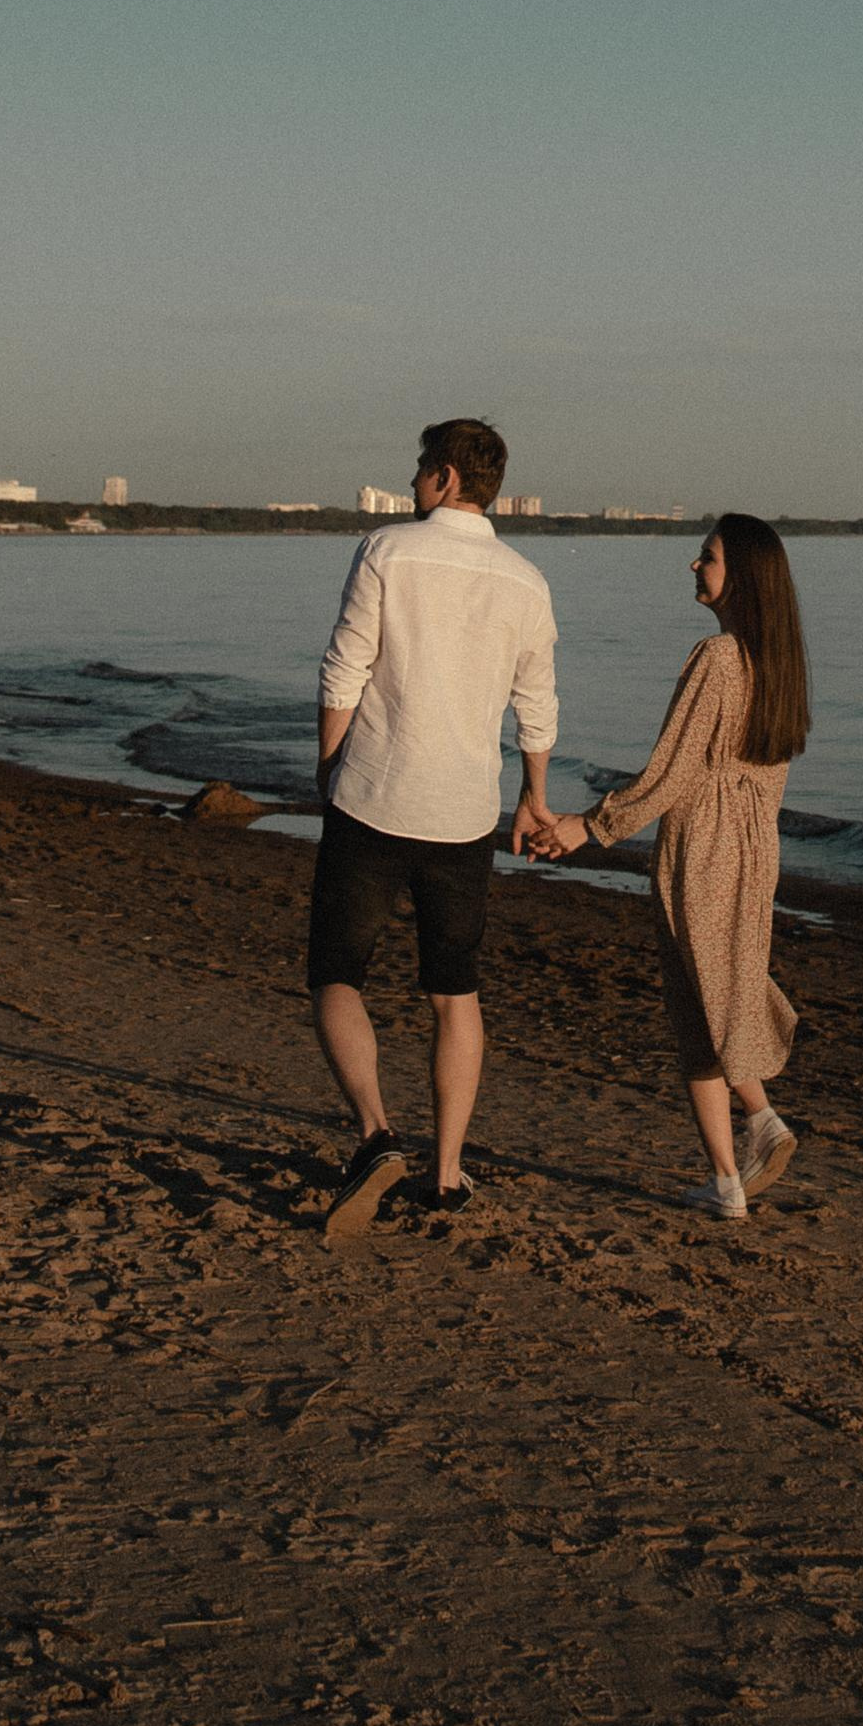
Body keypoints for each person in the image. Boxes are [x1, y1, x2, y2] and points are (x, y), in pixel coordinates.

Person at [308, 417, 560, 1240]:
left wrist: (327, 764)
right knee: (455, 994)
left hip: (374, 797)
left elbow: (345, 667)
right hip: (463, 814)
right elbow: (537, 703)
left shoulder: (388, 549)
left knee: (337, 975)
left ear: (447, 477)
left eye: (421, 467)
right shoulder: (526, 580)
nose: (414, 479)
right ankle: (447, 1177)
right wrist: (534, 795)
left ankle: (376, 1135)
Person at [548, 511, 809, 1221]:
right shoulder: (780, 665)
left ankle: (755, 1130)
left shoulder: (718, 659)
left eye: (708, 557)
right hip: (756, 844)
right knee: (714, 990)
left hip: (706, 841)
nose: (695, 566)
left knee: (700, 1000)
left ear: (742, 575)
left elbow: (672, 773)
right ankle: (729, 1174)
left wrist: (590, 826)